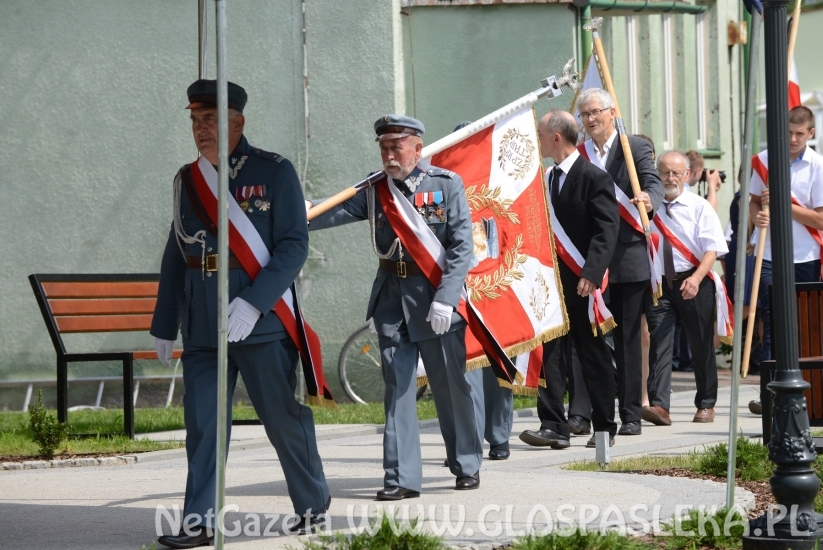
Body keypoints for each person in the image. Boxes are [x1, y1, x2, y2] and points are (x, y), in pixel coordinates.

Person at [150, 80, 330, 549]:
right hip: (204, 322)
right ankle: (199, 521)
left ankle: (312, 505)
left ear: (237, 122)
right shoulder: (187, 180)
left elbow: (293, 247)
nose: (200, 129)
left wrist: (253, 302)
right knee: (205, 425)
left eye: (210, 120)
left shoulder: (274, 172)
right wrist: (165, 322)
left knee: (281, 419)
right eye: (194, 121)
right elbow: (177, 253)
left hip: (260, 321)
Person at [308, 115, 482, 498]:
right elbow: (330, 210)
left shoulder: (444, 185)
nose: (389, 154)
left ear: (417, 148)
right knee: (398, 389)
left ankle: (466, 462)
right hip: (391, 302)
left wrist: (447, 298)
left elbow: (461, 247)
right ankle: (401, 477)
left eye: (396, 146)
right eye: (384, 147)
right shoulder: (374, 190)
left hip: (435, 301)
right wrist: (295, 211)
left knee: (449, 387)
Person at [519, 110, 619, 449]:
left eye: (540, 134)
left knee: (592, 356)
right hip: (550, 285)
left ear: (556, 137)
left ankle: (605, 425)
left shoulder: (594, 177)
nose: (537, 140)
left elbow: (606, 231)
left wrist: (591, 273)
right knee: (550, 355)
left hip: (581, 284)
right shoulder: (545, 180)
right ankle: (553, 426)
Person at [575, 88, 664, 437]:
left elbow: (652, 182)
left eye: (596, 112)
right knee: (588, 339)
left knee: (627, 341)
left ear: (612, 112)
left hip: (627, 257)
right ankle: (583, 414)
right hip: (589, 259)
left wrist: (649, 199)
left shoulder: (633, 147)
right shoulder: (580, 154)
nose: (591, 119)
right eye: (585, 114)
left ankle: (630, 415)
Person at [644, 151, 728, 425]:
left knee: (701, 344)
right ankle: (659, 405)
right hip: (661, 285)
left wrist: (696, 278)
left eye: (676, 173)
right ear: (657, 174)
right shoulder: (649, 207)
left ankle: (706, 404)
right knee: (660, 343)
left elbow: (712, 249)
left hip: (695, 281)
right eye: (665, 172)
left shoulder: (699, 206)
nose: (670, 178)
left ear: (686, 174)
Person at [750, 106, 823, 366]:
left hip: (805, 256)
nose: (793, 139)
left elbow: (820, 220)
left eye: (799, 134)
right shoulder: (764, 160)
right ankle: (770, 392)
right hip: (769, 254)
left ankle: (807, 386)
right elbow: (755, 201)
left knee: (806, 323)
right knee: (773, 321)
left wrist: (783, 204)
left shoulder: (818, 166)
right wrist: (756, 217)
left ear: (810, 133)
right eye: (789, 132)